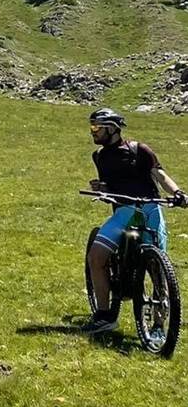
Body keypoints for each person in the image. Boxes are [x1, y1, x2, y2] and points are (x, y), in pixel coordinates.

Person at [83, 107, 187, 334]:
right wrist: (102, 189)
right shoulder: (99, 156)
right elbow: (111, 184)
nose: (93, 132)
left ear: (112, 129)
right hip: (123, 211)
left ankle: (160, 326)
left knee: (159, 269)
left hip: (150, 209)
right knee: (96, 257)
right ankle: (104, 315)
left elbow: (159, 174)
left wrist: (177, 192)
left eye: (96, 127)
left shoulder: (140, 150)